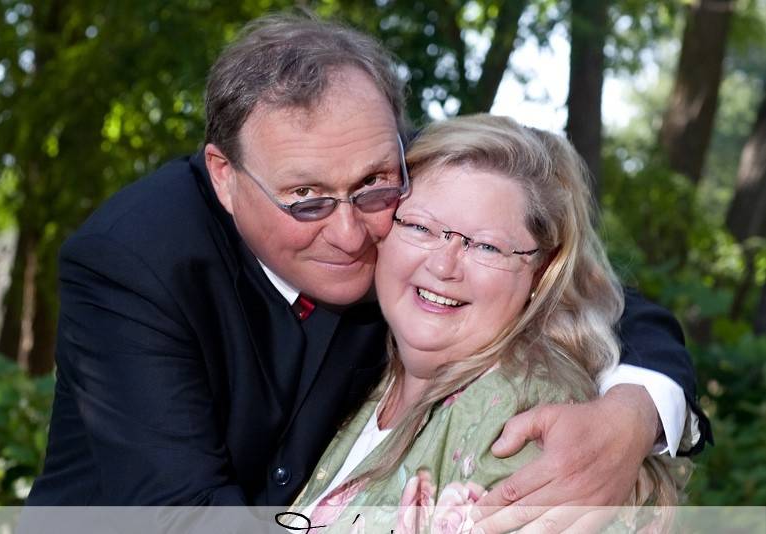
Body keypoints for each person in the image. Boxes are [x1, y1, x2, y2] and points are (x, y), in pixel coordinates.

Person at [27, 12, 709, 528]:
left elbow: (588, 291)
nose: (355, 233)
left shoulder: (401, 179)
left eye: (375, 185)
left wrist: (635, 412)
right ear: (225, 178)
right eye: (306, 200)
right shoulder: (131, 261)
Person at [291, 114, 687, 532]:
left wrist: (639, 409)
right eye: (422, 227)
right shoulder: (361, 363)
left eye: (486, 246)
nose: (443, 265)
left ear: (541, 271)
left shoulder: (524, 428)